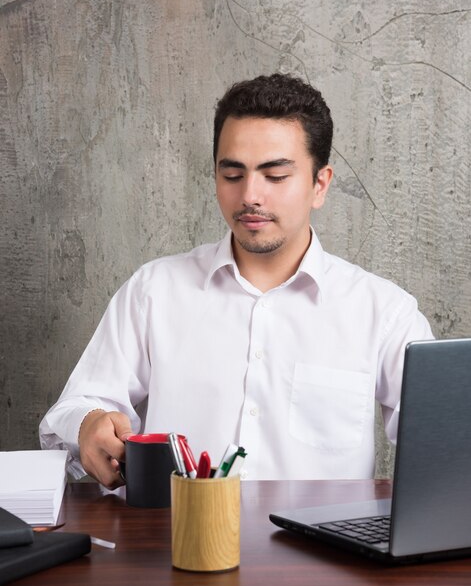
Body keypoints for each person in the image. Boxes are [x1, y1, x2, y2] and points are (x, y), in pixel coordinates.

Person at [39, 73, 433, 488]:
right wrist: (89, 424)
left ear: (320, 184)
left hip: (321, 550)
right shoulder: (155, 291)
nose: (250, 196)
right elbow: (75, 409)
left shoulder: (383, 312)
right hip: (173, 544)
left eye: (275, 176)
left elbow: (443, 433)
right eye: (232, 175)